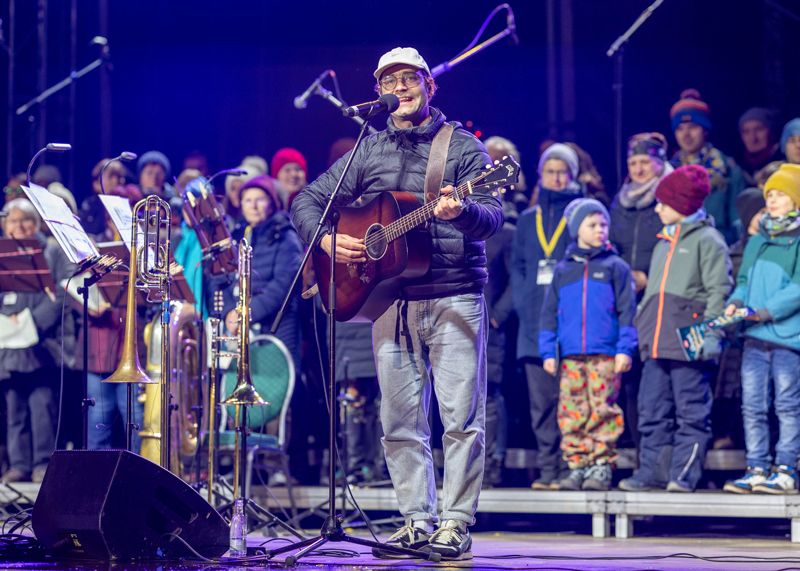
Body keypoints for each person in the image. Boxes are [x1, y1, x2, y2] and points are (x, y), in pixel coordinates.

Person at [291, 46, 502, 561]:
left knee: (460, 417)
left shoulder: (463, 146)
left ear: (431, 86)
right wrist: (323, 239)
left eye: (411, 79)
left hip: (453, 292)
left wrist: (462, 211)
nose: (401, 88)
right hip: (388, 297)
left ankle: (455, 522)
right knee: (399, 421)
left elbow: (493, 215)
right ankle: (416, 519)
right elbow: (306, 200)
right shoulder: (370, 147)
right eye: (391, 81)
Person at [619, 165, 733, 493]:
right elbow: (653, 297)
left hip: (689, 344)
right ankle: (652, 473)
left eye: (663, 203)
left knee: (691, 413)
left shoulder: (708, 240)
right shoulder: (662, 243)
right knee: (652, 412)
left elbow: (718, 292)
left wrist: (711, 334)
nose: (657, 209)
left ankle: (682, 475)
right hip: (656, 344)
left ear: (681, 204)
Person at [539, 198, 636, 491]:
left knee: (601, 409)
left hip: (604, 354)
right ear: (577, 228)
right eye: (592, 224)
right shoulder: (564, 270)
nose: (600, 230)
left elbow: (627, 312)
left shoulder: (615, 267)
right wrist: (548, 351)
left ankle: (600, 465)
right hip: (570, 356)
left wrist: (624, 348)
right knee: (572, 409)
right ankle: (577, 463)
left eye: (604, 224)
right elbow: (548, 314)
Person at [722, 164, 800, 494]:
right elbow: (743, 281)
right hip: (753, 337)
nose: (772, 200)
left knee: (786, 404)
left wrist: (766, 312)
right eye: (769, 194)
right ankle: (756, 466)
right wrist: (735, 303)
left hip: (785, 337)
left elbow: (797, 288)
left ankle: (786, 468)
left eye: (780, 194)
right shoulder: (757, 241)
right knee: (752, 405)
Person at [511, 143, 582, 491]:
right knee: (540, 404)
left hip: (570, 325)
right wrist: (525, 306)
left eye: (562, 172)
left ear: (572, 176)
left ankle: (572, 468)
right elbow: (519, 268)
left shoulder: (581, 215)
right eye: (550, 172)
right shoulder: (527, 220)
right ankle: (549, 469)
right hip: (533, 326)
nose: (556, 178)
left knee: (572, 400)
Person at [0, 199, 72, 482]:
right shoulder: (3, 253)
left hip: (42, 343)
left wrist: (31, 324)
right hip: (8, 341)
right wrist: (8, 320)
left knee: (42, 405)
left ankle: (43, 463)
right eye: (12, 221)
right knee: (14, 405)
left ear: (37, 224)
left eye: (25, 221)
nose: (19, 227)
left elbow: (58, 296)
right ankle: (19, 464)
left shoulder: (50, 251)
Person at [609, 133, 673, 447]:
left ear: (660, 164)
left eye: (645, 162)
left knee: (656, 379)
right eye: (633, 163)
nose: (638, 169)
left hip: (658, 295)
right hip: (625, 297)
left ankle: (656, 454)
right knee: (628, 379)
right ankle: (634, 452)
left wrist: (648, 275)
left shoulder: (670, 199)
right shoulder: (620, 201)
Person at [669, 89, 746, 244]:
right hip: (678, 246)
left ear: (705, 130)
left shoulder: (726, 169)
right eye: (680, 128)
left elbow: (738, 222)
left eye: (693, 127)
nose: (686, 135)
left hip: (718, 246)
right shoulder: (670, 171)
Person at [738, 107, 781, 184]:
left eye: (759, 129)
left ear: (771, 131)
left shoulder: (782, 164)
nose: (753, 138)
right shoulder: (735, 168)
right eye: (746, 132)